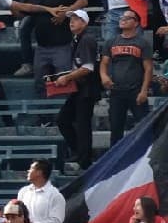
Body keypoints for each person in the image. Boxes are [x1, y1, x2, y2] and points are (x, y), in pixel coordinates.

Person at [54, 11, 101, 169]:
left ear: (85, 23)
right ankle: (80, 151)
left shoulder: (87, 39)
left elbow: (88, 68)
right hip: (78, 88)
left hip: (87, 88)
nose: (72, 22)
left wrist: (67, 78)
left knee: (82, 124)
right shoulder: (76, 40)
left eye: (76, 19)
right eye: (71, 19)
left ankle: (84, 159)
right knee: (63, 120)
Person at [100, 10, 154, 143]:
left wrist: (144, 91)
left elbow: (148, 68)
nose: (123, 20)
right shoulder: (111, 42)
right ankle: (114, 161)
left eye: (127, 18)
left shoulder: (142, 43)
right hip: (116, 91)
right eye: (121, 18)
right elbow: (104, 63)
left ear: (136, 23)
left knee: (144, 127)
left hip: (136, 91)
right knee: (115, 129)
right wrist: (104, 76)